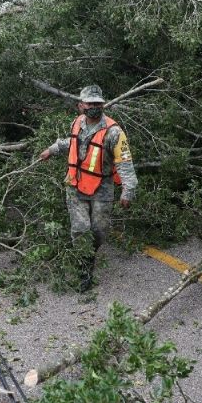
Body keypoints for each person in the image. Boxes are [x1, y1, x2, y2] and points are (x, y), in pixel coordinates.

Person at [39, 85, 138, 291]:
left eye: (98, 104)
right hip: (75, 185)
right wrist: (52, 149)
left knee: (99, 231)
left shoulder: (113, 132)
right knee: (81, 229)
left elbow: (124, 162)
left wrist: (128, 190)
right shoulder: (77, 123)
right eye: (90, 103)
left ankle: (88, 254)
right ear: (81, 105)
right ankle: (84, 269)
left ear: (102, 105)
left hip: (102, 187)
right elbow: (73, 142)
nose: (94, 107)